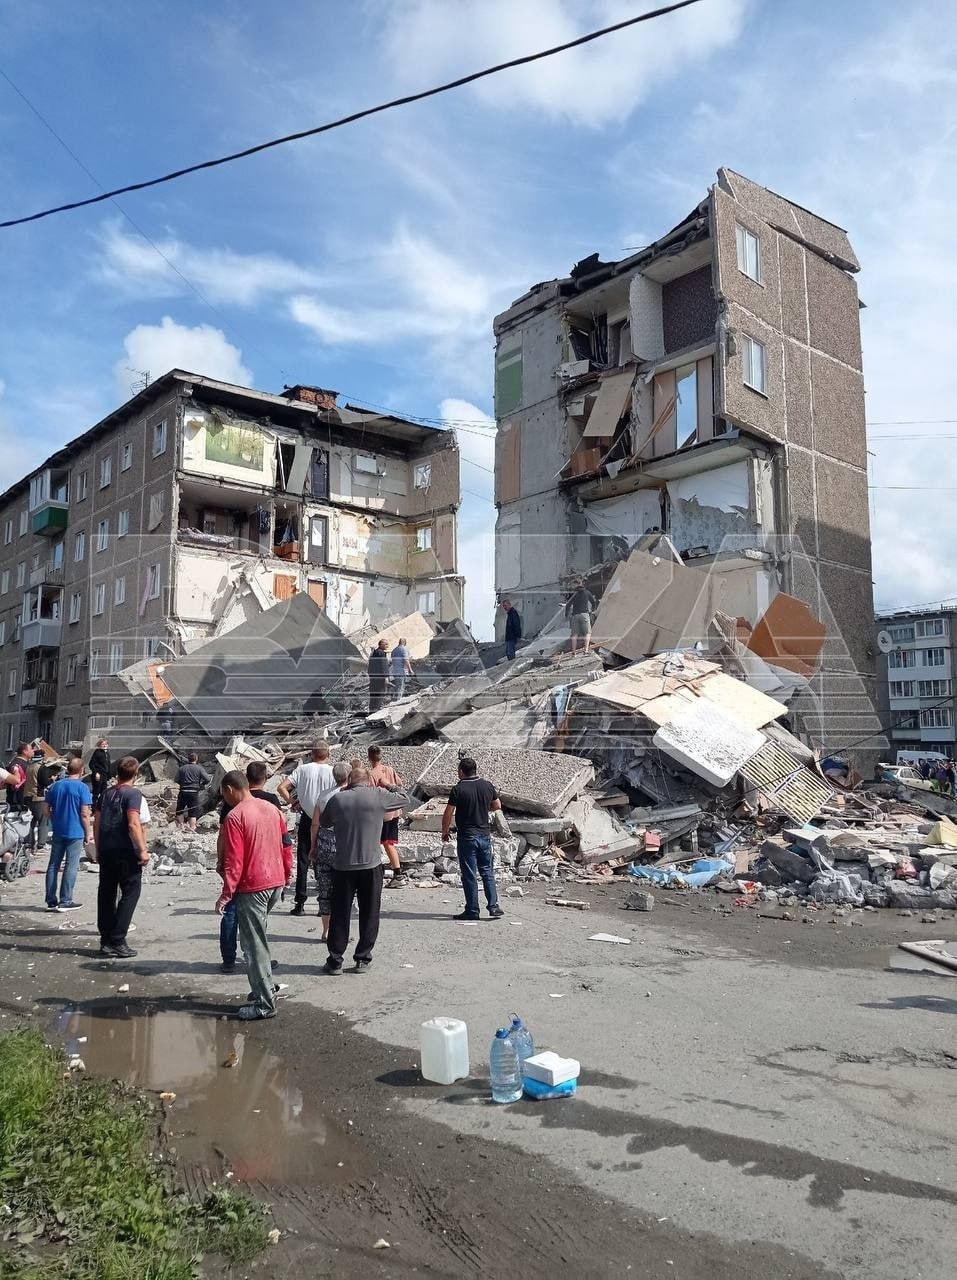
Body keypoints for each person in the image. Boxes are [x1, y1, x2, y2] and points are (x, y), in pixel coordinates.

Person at [216, 770, 293, 1019]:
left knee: (253, 944)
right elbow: (286, 845)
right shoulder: (271, 809)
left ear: (229, 790)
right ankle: (265, 987)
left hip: (253, 886)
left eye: (224, 795)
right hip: (275, 882)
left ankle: (264, 1004)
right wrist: (287, 875)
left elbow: (234, 860)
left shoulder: (235, 817)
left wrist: (226, 893)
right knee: (259, 937)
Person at [319, 767, 411, 974]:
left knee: (340, 913)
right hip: (371, 865)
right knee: (370, 912)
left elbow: (325, 823)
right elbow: (405, 798)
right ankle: (362, 958)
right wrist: (386, 784)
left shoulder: (338, 799)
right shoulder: (378, 795)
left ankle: (335, 960)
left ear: (349, 781)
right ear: (368, 780)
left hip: (343, 865)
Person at [93, 756, 148, 959]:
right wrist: (142, 850)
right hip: (125, 851)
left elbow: (96, 822)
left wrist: (98, 848)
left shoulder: (106, 794)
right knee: (130, 893)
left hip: (107, 850)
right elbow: (134, 823)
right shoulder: (134, 794)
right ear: (136, 774)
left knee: (106, 894)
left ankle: (105, 940)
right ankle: (118, 939)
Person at [441, 756, 504, 921]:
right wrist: (484, 808)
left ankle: (472, 909)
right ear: (475, 770)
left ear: (461, 772)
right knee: (487, 872)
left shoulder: (458, 789)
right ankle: (494, 906)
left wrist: (445, 831)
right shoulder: (487, 785)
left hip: (467, 836)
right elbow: (497, 806)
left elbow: (448, 812)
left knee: (469, 874)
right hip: (484, 835)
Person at [278, 742, 336, 916]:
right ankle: (323, 904)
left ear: (311, 754)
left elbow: (281, 787)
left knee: (303, 861)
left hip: (307, 817)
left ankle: (300, 903)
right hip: (327, 819)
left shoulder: (302, 770)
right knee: (324, 861)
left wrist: (293, 802)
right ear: (328, 755)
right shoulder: (332, 771)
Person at [43, 757, 92, 912]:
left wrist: (55, 819)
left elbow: (45, 810)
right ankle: (66, 901)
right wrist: (88, 833)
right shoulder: (83, 788)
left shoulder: (55, 786)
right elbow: (84, 814)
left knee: (53, 865)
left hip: (58, 830)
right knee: (71, 865)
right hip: (75, 831)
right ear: (82, 770)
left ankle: (51, 901)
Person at [309, 760, 351, 941]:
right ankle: (340, 931)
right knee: (344, 891)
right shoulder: (349, 795)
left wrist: (313, 846)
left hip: (324, 844)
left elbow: (315, 823)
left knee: (325, 890)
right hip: (344, 847)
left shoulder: (324, 795)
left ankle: (326, 930)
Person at [367, 744, 406, 886]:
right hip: (395, 811)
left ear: (369, 757)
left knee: (382, 844)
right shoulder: (389, 769)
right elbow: (399, 784)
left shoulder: (372, 774)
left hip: (382, 814)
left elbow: (370, 795)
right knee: (390, 843)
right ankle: (397, 873)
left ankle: (385, 872)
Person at [25, 756, 58, 850]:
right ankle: (41, 843)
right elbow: (44, 782)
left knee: (31, 820)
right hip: (38, 797)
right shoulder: (41, 767)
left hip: (27, 796)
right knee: (44, 820)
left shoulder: (29, 766)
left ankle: (29, 842)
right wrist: (52, 779)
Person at [174, 751, 212, 830]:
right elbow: (208, 779)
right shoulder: (199, 768)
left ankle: (181, 826)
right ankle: (192, 828)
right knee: (193, 812)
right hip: (194, 793)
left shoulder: (182, 768)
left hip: (183, 792)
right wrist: (201, 785)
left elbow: (176, 779)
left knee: (180, 810)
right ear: (196, 759)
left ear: (188, 759)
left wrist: (183, 784)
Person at [565, 580, 597, 654]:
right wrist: (592, 610)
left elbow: (568, 605)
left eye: (573, 585)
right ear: (581, 584)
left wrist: (566, 614)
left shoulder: (573, 594)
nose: (572, 586)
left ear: (576, 585)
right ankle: (585, 650)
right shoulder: (587, 592)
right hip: (585, 615)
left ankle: (573, 651)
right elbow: (593, 602)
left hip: (575, 615)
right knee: (587, 633)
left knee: (574, 634)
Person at [5, 742, 33, 814]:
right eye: (31, 749)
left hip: (21, 799)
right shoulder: (18, 764)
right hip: (17, 800)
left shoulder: (24, 763)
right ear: (24, 751)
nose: (33, 751)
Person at [367, 638, 391, 713]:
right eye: (386, 644)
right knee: (379, 695)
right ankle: (375, 712)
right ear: (381, 645)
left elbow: (369, 667)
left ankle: (371, 711)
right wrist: (386, 677)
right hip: (380, 680)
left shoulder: (374, 653)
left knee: (373, 696)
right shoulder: (381, 654)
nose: (388, 646)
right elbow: (383, 666)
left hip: (373, 679)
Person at [88, 739, 112, 812]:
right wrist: (96, 773)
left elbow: (108, 765)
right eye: (103, 744)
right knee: (96, 793)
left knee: (103, 793)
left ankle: (101, 809)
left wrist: (110, 776)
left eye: (106, 744)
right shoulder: (97, 753)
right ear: (99, 745)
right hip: (98, 775)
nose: (104, 745)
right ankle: (94, 809)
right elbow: (91, 764)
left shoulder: (107, 753)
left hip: (105, 776)